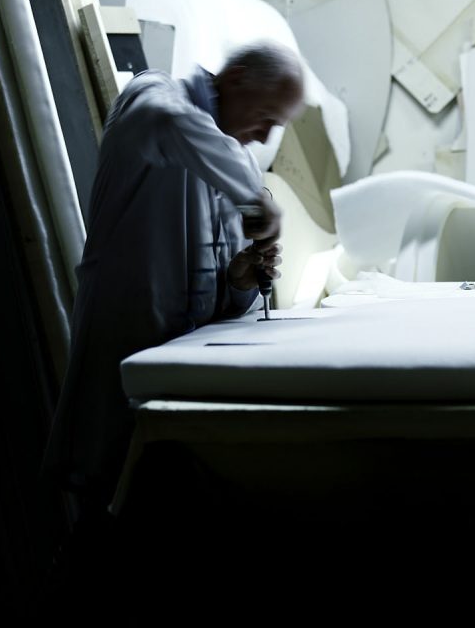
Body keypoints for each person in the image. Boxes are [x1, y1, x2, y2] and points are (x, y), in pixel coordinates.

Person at [41, 40, 305, 514]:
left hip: (182, 372)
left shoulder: (238, 161)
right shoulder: (153, 97)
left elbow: (222, 292)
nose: (265, 138)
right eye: (266, 116)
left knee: (161, 509)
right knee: (105, 505)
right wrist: (255, 200)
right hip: (124, 346)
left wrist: (241, 281)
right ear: (237, 77)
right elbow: (171, 126)